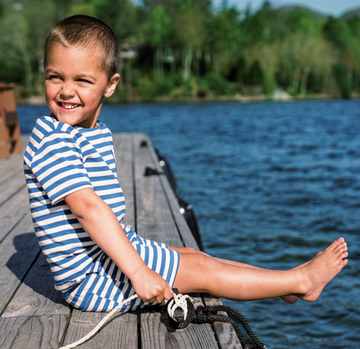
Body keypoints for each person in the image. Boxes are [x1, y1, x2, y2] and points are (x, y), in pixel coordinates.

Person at [23, 15, 348, 313]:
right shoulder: (54, 140)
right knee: (204, 272)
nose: (66, 91)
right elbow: (87, 208)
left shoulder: (87, 133)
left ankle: (285, 285)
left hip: (105, 259)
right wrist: (139, 272)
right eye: (55, 77)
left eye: (82, 80)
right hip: (91, 280)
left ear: (110, 84)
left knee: (195, 257)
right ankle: (303, 282)